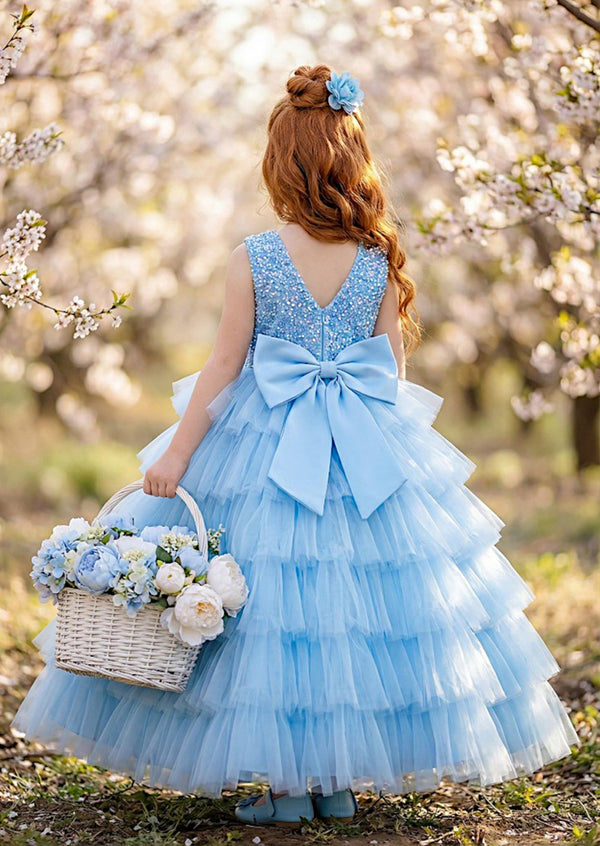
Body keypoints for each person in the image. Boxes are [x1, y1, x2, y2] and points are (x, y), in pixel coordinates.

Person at [11, 64, 579, 828]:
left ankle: (280, 782)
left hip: (263, 445)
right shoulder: (378, 260)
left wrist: (177, 456)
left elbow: (223, 366)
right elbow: (389, 376)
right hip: (361, 446)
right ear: (354, 160)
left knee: (266, 609)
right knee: (351, 614)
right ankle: (335, 778)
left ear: (281, 164)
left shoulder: (253, 257)